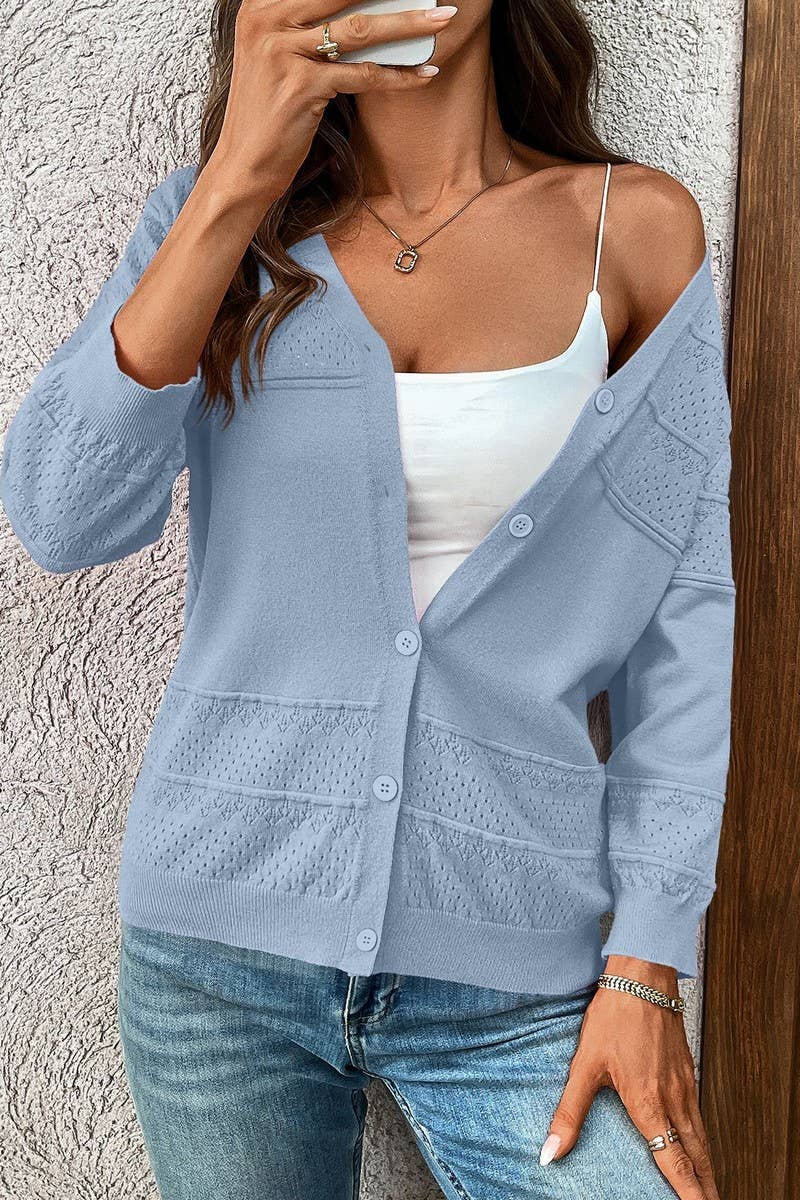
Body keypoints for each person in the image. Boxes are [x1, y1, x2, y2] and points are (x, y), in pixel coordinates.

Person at [0, 0, 735, 1197]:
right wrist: (238, 179)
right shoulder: (214, 224)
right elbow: (60, 514)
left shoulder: (631, 229)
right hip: (216, 959)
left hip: (517, 974)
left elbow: (683, 622)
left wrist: (647, 962)